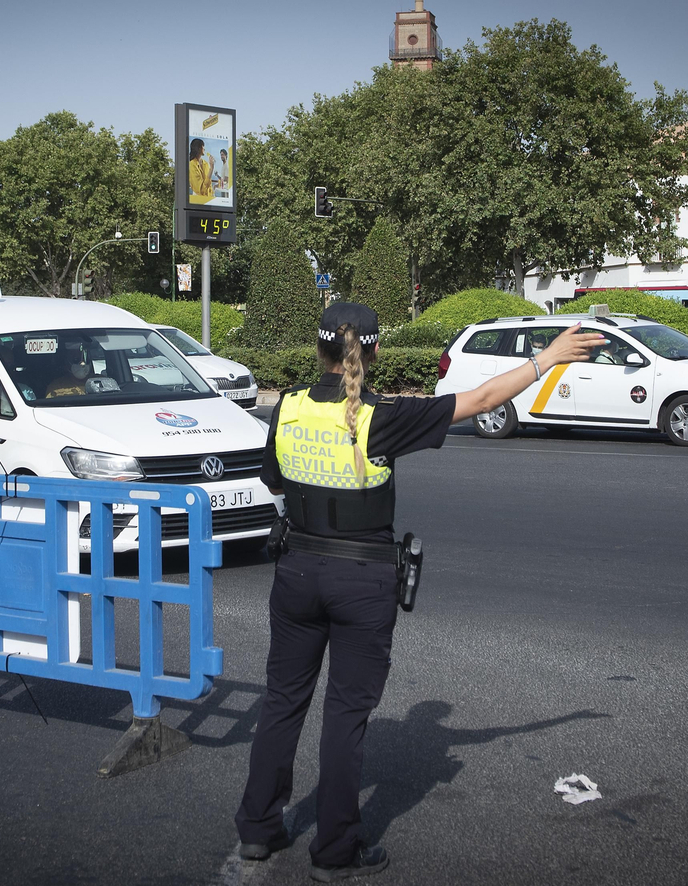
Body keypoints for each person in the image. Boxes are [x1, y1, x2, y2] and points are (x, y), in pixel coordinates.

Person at [234, 302, 603, 881]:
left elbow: (273, 480)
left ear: (320, 350)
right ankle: (334, 852)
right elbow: (478, 401)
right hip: (361, 582)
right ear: (373, 353)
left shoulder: (288, 407)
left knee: (283, 700)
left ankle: (257, 830)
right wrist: (547, 358)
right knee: (345, 715)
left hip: (298, 573)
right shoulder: (381, 415)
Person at [188, 138, 214, 204]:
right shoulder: (192, 164)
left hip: (209, 200)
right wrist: (211, 169)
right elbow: (201, 190)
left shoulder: (205, 163)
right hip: (198, 201)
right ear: (198, 148)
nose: (204, 149)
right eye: (203, 146)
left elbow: (209, 185)